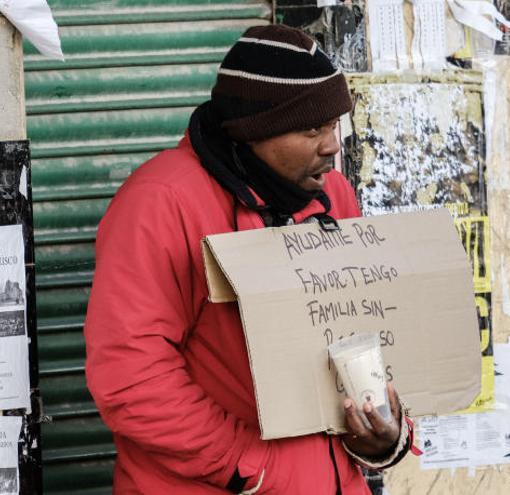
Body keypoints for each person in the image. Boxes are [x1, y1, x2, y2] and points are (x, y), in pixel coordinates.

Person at [84, 25, 412, 494]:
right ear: (253, 131)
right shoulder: (160, 202)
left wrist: (383, 436)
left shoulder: (332, 195)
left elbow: (360, 337)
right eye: (311, 128)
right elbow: (131, 375)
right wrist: (249, 467)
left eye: (335, 124)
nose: (332, 145)